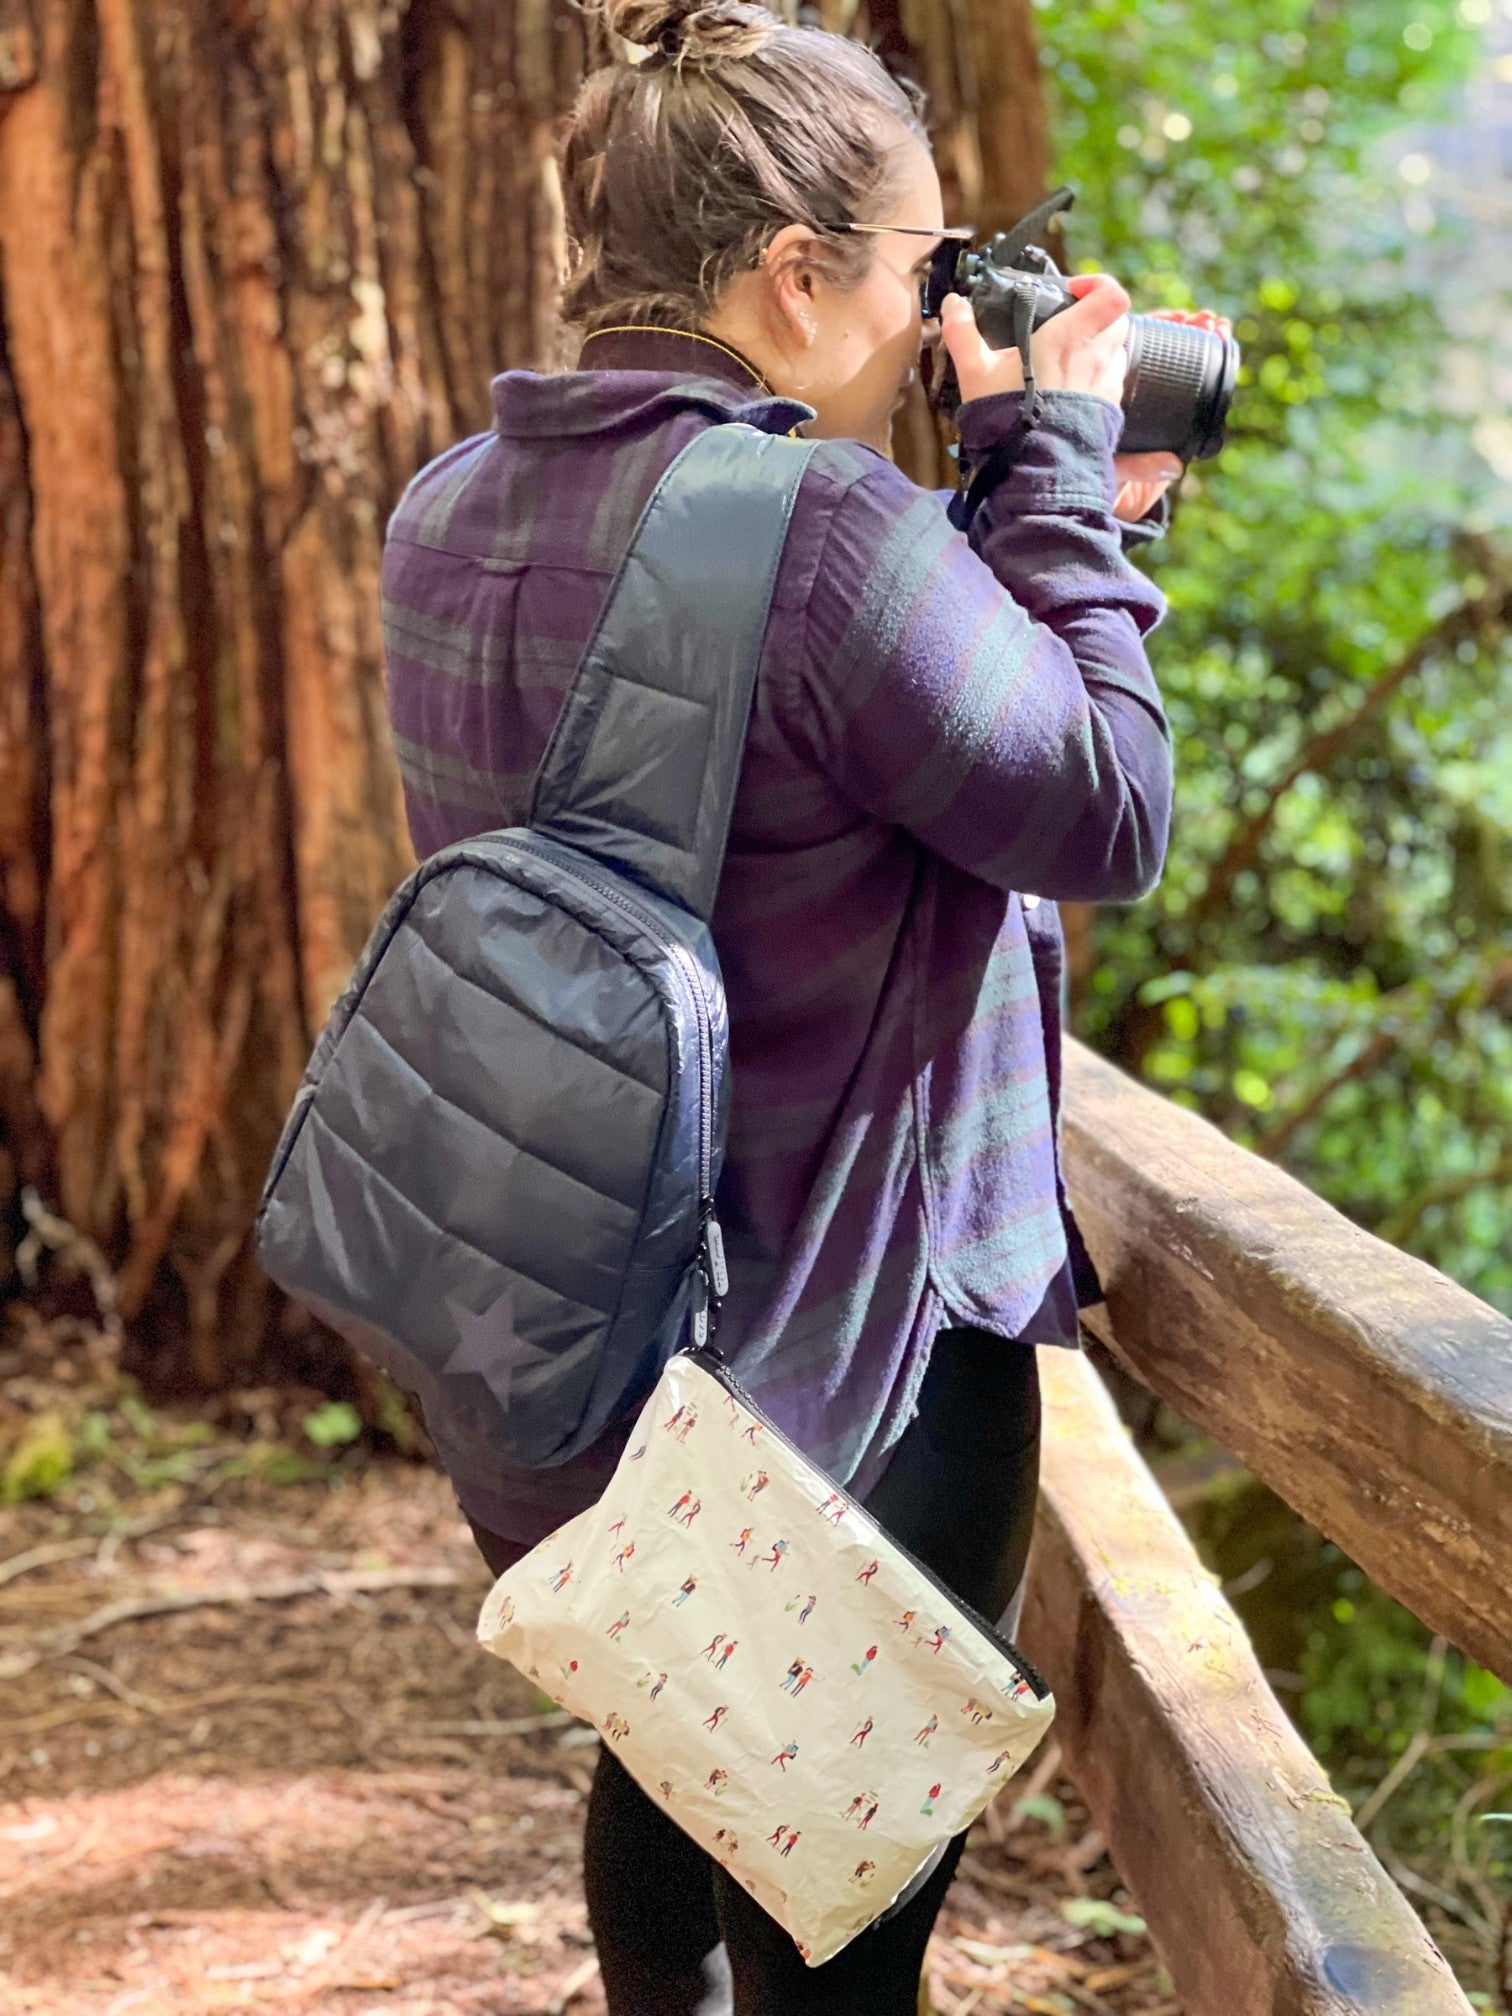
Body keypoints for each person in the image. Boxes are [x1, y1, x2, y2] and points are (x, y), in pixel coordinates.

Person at [380, 1, 1215, 2008]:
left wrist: (1033, 520)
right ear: (793, 276)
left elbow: (764, 736)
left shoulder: (451, 508)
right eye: (929, 264)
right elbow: (1104, 810)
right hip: (858, 1347)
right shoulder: (826, 531)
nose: (941, 308)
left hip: (589, 1323)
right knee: (841, 1935)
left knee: (667, 1759)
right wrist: (1049, 465)